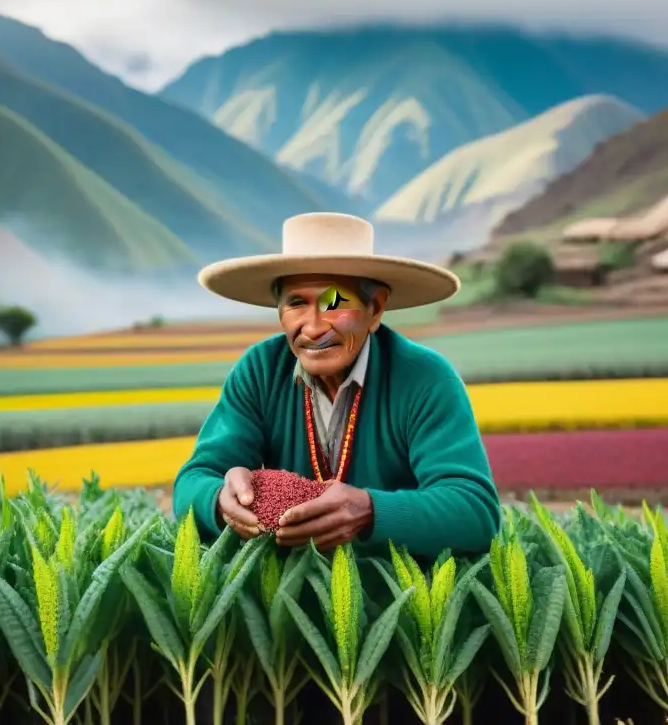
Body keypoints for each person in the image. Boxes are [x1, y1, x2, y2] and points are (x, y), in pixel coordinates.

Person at [172, 211, 501, 558]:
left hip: (399, 595)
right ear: (279, 312)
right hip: (288, 596)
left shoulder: (426, 379)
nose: (313, 328)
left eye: (336, 302)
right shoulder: (260, 370)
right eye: (296, 303)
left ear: (374, 310)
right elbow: (193, 481)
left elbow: (474, 511)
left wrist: (371, 511)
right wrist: (220, 500)